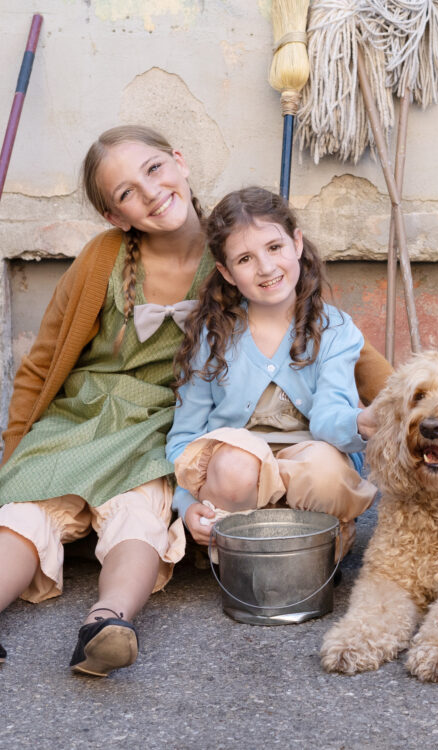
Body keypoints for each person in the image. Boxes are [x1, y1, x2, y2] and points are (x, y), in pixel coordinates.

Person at [0, 128, 391, 677]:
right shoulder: (104, 259)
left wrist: (407, 401)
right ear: (114, 216)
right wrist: (16, 457)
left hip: (157, 423)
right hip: (84, 416)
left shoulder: (235, 249)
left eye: (153, 169)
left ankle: (109, 621)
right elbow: (42, 362)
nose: (150, 193)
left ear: (180, 161)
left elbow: (337, 346)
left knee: (139, 509)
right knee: (25, 505)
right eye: (126, 192)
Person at [166, 187, 376, 558]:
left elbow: (330, 417)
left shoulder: (334, 330)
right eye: (245, 258)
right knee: (234, 462)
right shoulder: (213, 335)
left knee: (323, 468)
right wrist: (185, 504)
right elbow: (186, 435)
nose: (265, 267)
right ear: (226, 273)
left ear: (296, 243)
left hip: (309, 461)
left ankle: (318, 540)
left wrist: (360, 422)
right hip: (240, 482)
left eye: (274, 248)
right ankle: (248, 547)